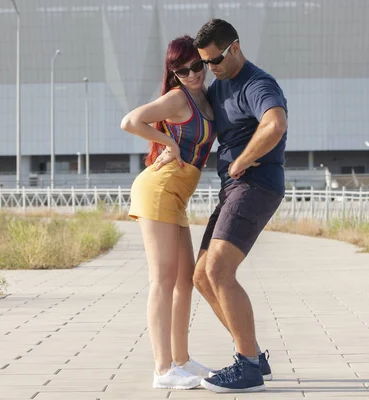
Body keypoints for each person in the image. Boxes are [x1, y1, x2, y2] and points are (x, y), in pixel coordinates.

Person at [155, 19, 288, 393]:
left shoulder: (257, 83)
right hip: (233, 188)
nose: (207, 70)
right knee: (201, 276)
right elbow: (190, 120)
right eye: (201, 64)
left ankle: (246, 365)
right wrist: (169, 148)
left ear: (234, 47)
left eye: (212, 61)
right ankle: (254, 356)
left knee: (218, 269)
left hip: (255, 184)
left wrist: (243, 160)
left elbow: (274, 124)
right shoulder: (219, 86)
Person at [120, 35, 216, 390]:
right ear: (173, 73)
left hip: (177, 195)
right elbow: (130, 121)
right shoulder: (177, 98)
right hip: (159, 189)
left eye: (197, 66)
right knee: (162, 279)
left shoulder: (205, 97)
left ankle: (181, 359)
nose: (192, 74)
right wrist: (169, 142)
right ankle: (163, 370)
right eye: (183, 70)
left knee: (185, 279)